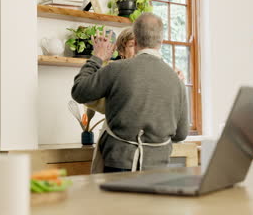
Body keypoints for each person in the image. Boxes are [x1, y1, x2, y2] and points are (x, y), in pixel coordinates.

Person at [71, 13, 189, 173]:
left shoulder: (115, 70)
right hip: (158, 167)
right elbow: (181, 134)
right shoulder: (176, 80)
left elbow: (79, 91)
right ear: (160, 41)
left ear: (137, 39)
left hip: (119, 163)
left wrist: (96, 58)